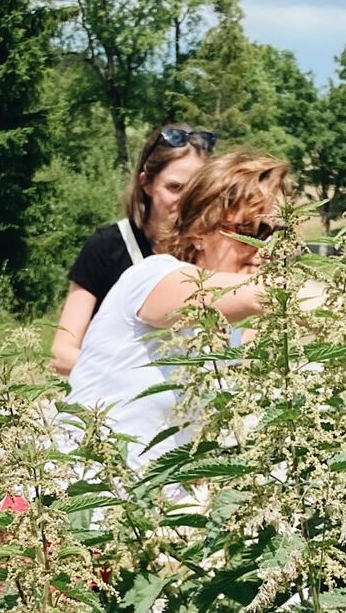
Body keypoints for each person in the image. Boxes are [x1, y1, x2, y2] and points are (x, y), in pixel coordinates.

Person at [67, 150, 292, 467]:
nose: (264, 250)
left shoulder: (234, 334)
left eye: (278, 234)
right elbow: (267, 295)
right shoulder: (151, 277)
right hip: (81, 501)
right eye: (250, 231)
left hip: (152, 510)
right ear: (200, 231)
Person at [51, 124, 217, 378]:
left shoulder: (215, 250)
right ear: (146, 184)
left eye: (196, 190)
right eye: (174, 188)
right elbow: (61, 354)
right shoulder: (108, 247)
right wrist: (135, 378)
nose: (186, 200)